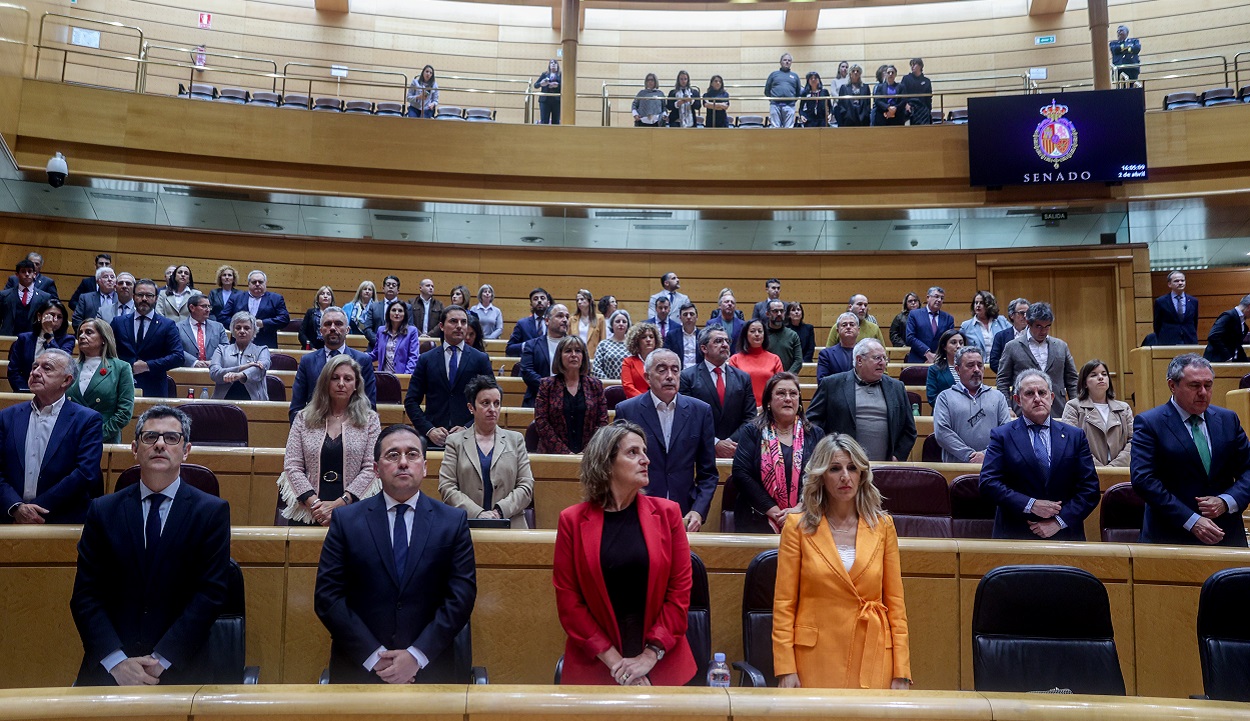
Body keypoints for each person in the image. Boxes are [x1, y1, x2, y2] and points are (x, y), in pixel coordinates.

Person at [70, 405, 229, 686]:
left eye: (171, 438)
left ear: (186, 449)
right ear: (134, 448)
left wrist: (161, 660)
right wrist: (116, 662)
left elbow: (210, 595)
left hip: (181, 668)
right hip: (109, 670)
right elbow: (85, 595)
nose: (159, 444)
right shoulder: (102, 511)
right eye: (150, 437)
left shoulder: (211, 512)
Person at [314, 424, 476, 683]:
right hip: (359, 670)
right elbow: (328, 597)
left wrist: (416, 656)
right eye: (392, 455)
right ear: (376, 470)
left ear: (424, 467)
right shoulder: (346, 520)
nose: (403, 462)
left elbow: (461, 597)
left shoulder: (453, 522)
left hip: (431, 671)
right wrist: (374, 657)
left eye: (412, 454)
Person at [553, 420, 697, 686]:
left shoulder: (668, 514)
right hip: (597, 665)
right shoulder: (572, 521)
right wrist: (619, 666)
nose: (646, 460)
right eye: (633, 452)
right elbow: (569, 603)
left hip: (662, 664)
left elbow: (679, 593)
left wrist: (649, 657)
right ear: (606, 463)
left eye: (644, 451)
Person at [773, 434, 910, 690]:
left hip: (872, 654)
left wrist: (901, 669)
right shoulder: (797, 527)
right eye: (835, 469)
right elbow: (784, 604)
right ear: (821, 476)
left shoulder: (882, 526)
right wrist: (785, 667)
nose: (845, 476)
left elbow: (896, 605)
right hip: (814, 658)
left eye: (852, 468)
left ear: (862, 475)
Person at [1132, 354, 1250, 547]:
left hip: (1226, 535)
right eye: (1194, 386)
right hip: (1171, 536)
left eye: (1208, 385)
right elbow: (1143, 480)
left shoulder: (1228, 420)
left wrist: (1227, 501)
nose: (1203, 392)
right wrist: (1191, 520)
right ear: (1172, 385)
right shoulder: (1150, 423)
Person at [979, 369, 1100, 541]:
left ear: (1051, 397)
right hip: (1015, 534)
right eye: (1029, 393)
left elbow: (1090, 489)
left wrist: (1058, 521)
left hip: (1065, 535)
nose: (1037, 398)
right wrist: (1031, 505)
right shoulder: (1002, 436)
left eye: (1042, 392)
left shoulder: (1075, 436)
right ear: (1017, 400)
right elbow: (988, 483)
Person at [615, 350, 717, 532]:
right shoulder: (627, 410)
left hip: (685, 513)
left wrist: (698, 510)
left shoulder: (701, 411)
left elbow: (708, 473)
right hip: (638, 510)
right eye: (661, 370)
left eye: (675, 370)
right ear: (647, 377)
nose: (670, 376)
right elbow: (618, 468)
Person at [0, 348, 103, 524]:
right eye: (34, 367)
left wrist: (34, 509)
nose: (35, 372)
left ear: (67, 380)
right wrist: (16, 506)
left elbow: (85, 473)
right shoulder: (7, 416)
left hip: (62, 518)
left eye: (46, 368)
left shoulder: (87, 420)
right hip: (10, 516)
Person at [281, 355, 382, 525]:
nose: (341, 383)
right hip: (309, 511)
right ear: (325, 383)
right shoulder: (303, 418)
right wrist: (315, 504)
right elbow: (292, 466)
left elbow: (371, 468)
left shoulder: (370, 420)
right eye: (335, 378)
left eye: (348, 378)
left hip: (353, 510)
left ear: (356, 385)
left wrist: (340, 504)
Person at [730, 373, 825, 534]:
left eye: (793, 394)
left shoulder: (815, 434)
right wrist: (775, 512)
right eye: (781, 393)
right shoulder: (752, 431)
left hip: (806, 518)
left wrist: (799, 508)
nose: (788, 398)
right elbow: (741, 474)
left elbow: (822, 476)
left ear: (799, 401)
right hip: (757, 517)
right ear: (768, 401)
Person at [439, 375, 535, 527]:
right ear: (471, 408)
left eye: (496, 404)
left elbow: (526, 485)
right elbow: (447, 487)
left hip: (510, 524)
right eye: (485, 403)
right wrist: (478, 514)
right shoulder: (455, 442)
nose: (492, 409)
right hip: (466, 525)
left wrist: (499, 511)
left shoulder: (515, 440)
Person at [807, 339, 916, 462]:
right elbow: (812, 422)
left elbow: (909, 429)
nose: (882, 363)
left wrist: (898, 456)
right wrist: (827, 452)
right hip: (842, 466)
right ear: (859, 360)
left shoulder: (897, 387)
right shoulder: (831, 384)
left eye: (884, 359)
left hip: (885, 467)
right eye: (877, 358)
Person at [405, 306, 494, 448]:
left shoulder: (480, 359)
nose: (459, 326)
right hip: (434, 440)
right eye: (453, 321)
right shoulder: (426, 359)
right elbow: (411, 401)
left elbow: (491, 400)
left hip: (471, 439)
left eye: (463, 322)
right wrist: (429, 430)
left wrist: (468, 428)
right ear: (441, 326)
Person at [680, 326, 756, 459]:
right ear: (704, 348)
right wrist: (714, 443)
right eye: (718, 341)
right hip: (699, 451)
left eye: (727, 341)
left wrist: (729, 443)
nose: (725, 345)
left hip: (736, 449)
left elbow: (750, 417)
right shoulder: (687, 377)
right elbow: (687, 418)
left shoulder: (743, 378)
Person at [290, 307, 377, 421]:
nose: (332, 328)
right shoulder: (307, 361)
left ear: (347, 330)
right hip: (315, 426)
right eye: (327, 324)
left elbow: (369, 405)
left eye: (338, 324)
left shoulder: (362, 360)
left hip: (352, 427)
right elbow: (297, 406)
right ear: (321, 331)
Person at [995, 302, 1078, 418]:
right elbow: (1002, 381)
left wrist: (1076, 406)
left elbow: (1072, 380)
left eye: (1047, 326)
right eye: (1038, 326)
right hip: (1023, 410)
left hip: (1057, 409)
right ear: (1028, 323)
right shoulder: (1012, 347)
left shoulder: (1061, 346)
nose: (1043, 331)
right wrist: (1007, 407)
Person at [932, 346, 1011, 464]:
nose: (976, 369)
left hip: (992, 466)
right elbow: (942, 433)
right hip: (956, 469)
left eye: (979, 365)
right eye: (970, 365)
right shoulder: (945, 397)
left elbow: (1006, 432)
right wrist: (969, 456)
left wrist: (986, 455)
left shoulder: (998, 397)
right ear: (958, 370)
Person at [535, 336, 609, 454]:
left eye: (578, 351)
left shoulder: (595, 385)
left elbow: (602, 423)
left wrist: (587, 452)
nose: (573, 354)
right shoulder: (547, 385)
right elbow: (541, 423)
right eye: (568, 351)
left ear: (583, 356)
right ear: (560, 356)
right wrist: (565, 453)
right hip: (553, 456)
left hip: (590, 456)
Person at [112, 279, 183, 399]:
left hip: (155, 388)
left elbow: (178, 357)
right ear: (133, 297)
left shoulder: (167, 325)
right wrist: (129, 366)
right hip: (121, 385)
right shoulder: (118, 323)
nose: (144, 299)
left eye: (149, 295)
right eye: (140, 295)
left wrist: (147, 365)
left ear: (156, 298)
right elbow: (108, 353)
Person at [68, 319, 135, 444]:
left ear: (103, 339)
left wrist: (98, 435)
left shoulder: (121, 367)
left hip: (103, 440)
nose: (82, 336)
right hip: (71, 438)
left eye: (88, 332)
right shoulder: (69, 366)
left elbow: (125, 412)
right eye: (80, 333)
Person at [1062, 359, 1134, 467]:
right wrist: (1099, 469)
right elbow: (1071, 442)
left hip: (1121, 471)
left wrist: (1114, 468)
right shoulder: (1073, 407)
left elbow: (1134, 441)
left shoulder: (1124, 408)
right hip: (1087, 472)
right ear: (1085, 383)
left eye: (1104, 374)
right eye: (1094, 375)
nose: (1101, 377)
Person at [7, 298, 76, 393]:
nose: (55, 319)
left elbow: (60, 365)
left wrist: (49, 335)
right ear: (39, 316)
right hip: (25, 391)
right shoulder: (24, 339)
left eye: (59, 317)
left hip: (54, 392)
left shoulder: (68, 340)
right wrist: (26, 390)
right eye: (51, 315)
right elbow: (13, 371)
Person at [208, 312, 271, 401]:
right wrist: (242, 367)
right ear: (233, 330)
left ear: (254, 331)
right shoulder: (221, 349)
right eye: (238, 328)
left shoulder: (262, 350)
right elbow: (214, 374)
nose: (242, 331)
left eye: (246, 328)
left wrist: (240, 375)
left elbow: (260, 369)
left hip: (255, 402)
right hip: (222, 401)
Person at [519, 303, 571, 407]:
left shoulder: (576, 346)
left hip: (569, 399)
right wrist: (550, 388)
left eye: (567, 317)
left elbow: (584, 371)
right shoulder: (532, 345)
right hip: (538, 398)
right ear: (547, 321)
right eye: (560, 316)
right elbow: (527, 372)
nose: (565, 320)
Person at [221, 270, 289, 349]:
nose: (257, 284)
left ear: (265, 283)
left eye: (260, 282)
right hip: (239, 344)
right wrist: (239, 325)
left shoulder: (276, 298)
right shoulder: (236, 297)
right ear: (248, 284)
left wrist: (263, 323)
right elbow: (223, 317)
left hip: (266, 344)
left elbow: (284, 319)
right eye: (254, 282)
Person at [727, 318, 783, 406]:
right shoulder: (735, 359)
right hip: (743, 408)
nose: (757, 334)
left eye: (760, 331)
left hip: (768, 408)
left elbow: (779, 387)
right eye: (752, 331)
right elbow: (733, 389)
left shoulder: (775, 359)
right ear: (745, 335)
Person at [176, 292, 228, 370]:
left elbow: (225, 348)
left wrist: (213, 361)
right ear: (192, 308)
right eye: (204, 306)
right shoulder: (177, 327)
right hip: (187, 371)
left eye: (209, 306)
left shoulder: (218, 327)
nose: (208, 310)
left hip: (214, 371)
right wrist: (194, 362)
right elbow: (176, 349)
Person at [0, 259, 52, 336]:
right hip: (8, 337)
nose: (27, 274)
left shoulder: (45, 297)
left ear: (34, 274)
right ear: (17, 274)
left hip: (33, 338)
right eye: (23, 271)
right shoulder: (4, 295)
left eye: (30, 271)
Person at [904, 286, 954, 363]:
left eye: (942, 298)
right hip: (918, 360)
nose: (939, 300)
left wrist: (937, 356)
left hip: (940, 361)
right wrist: (927, 353)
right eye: (936, 297)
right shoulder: (914, 314)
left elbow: (950, 340)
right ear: (928, 298)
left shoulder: (948, 318)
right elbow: (910, 337)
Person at [371, 300, 421, 374]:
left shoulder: (412, 331)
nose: (397, 313)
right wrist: (360, 356)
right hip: (384, 376)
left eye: (400, 311)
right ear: (389, 313)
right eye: (394, 310)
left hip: (402, 375)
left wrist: (406, 377)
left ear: (404, 314)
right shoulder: (381, 330)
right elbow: (376, 353)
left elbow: (413, 357)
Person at [1153, 270, 1199, 345]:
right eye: (1176, 281)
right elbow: (1157, 325)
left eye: (1182, 280)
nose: (1180, 283)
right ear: (1169, 284)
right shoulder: (1161, 301)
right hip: (1168, 341)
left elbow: (1194, 322)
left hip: (1189, 340)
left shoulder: (1193, 301)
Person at [364, 276, 409, 351]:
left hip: (399, 348)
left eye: (394, 285)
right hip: (375, 347)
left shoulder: (406, 307)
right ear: (383, 289)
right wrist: (379, 342)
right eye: (388, 285)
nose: (391, 287)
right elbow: (367, 328)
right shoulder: (374, 306)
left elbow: (408, 327)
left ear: (398, 290)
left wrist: (395, 343)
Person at [960, 290, 1010, 356]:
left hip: (1000, 363)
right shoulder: (966, 326)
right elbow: (960, 349)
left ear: (989, 305)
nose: (978, 305)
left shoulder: (1001, 321)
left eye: (981, 303)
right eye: (976, 303)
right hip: (977, 364)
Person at [925, 329, 966, 409]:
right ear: (944, 346)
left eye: (961, 343)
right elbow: (932, 398)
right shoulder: (934, 369)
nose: (958, 346)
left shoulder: (970, 368)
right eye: (953, 342)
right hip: (944, 414)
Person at [620, 321, 662, 399]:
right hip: (636, 403)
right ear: (636, 341)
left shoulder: (661, 361)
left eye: (651, 337)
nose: (648, 339)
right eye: (644, 337)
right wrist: (645, 400)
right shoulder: (628, 362)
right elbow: (628, 387)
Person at [1203, 293, 1249, 362]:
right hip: (1217, 360)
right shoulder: (1228, 316)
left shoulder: (1243, 324)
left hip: (1231, 361)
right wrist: (1228, 356)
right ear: (1249, 307)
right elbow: (1213, 336)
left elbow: (1237, 345)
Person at [988, 297, 1031, 372]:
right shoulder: (1001, 336)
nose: (1025, 316)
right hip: (1009, 380)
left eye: (1027, 313)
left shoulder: (1035, 335)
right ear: (1012, 315)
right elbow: (994, 362)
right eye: (1021, 313)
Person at [506, 287, 551, 356]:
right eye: (535, 299)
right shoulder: (522, 324)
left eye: (542, 298)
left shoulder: (554, 323)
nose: (539, 301)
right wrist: (526, 345)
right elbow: (509, 349)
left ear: (548, 303)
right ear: (531, 305)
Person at [817, 312, 860, 382]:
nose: (848, 327)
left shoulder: (866, 353)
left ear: (858, 330)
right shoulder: (826, 354)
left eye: (852, 325)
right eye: (844, 325)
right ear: (837, 331)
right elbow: (822, 382)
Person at [764, 300, 804, 373]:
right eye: (775, 311)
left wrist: (786, 377)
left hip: (787, 380)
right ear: (767, 314)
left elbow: (798, 361)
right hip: (766, 379)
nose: (779, 314)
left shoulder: (792, 335)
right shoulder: (762, 334)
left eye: (781, 311)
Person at [592, 309, 632, 381]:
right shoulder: (603, 344)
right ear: (612, 324)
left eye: (624, 322)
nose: (621, 324)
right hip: (607, 387)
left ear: (628, 325)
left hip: (630, 386)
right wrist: (609, 383)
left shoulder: (633, 345)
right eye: (617, 321)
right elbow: (596, 368)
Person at [765, 53, 800, 128]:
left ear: (791, 63)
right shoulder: (774, 74)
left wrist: (791, 100)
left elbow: (798, 92)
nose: (787, 62)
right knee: (775, 127)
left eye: (789, 60)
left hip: (790, 105)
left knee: (789, 128)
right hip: (775, 105)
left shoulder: (795, 76)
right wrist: (773, 99)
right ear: (780, 62)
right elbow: (767, 90)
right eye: (785, 60)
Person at [664, 302, 702, 369]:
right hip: (679, 373)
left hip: (699, 374)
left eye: (691, 314)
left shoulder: (703, 335)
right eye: (685, 314)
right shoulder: (672, 335)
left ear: (697, 317)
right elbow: (666, 357)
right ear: (680, 318)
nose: (688, 317)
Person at [299, 285, 336, 350]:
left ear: (332, 299)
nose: (325, 296)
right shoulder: (310, 312)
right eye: (322, 294)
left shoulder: (336, 314)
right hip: (311, 349)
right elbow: (302, 333)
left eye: (328, 294)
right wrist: (311, 347)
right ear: (317, 298)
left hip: (330, 349)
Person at [573, 289, 606, 358]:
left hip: (593, 356)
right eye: (577, 300)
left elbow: (603, 340)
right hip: (576, 355)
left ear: (589, 301)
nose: (579, 302)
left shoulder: (600, 318)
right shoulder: (572, 319)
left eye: (582, 299)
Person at [898, 58, 932, 125]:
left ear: (920, 66)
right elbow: (902, 94)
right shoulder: (906, 79)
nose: (912, 67)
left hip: (923, 109)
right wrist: (906, 105)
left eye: (914, 65)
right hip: (910, 108)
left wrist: (928, 110)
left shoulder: (927, 81)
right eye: (911, 65)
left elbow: (928, 99)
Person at [535, 59, 562, 125]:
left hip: (556, 101)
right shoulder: (544, 74)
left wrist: (558, 85)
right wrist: (541, 84)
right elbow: (536, 85)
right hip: (545, 100)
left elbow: (566, 86)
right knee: (544, 120)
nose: (553, 64)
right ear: (549, 65)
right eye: (551, 63)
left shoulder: (561, 75)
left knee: (556, 121)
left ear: (557, 66)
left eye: (555, 63)